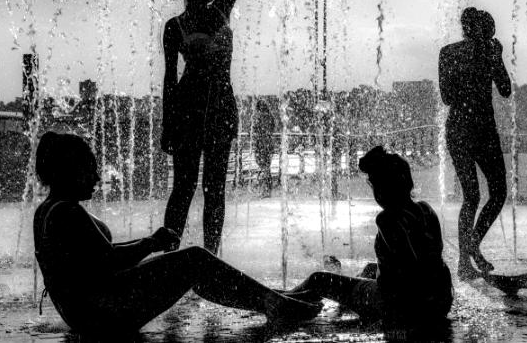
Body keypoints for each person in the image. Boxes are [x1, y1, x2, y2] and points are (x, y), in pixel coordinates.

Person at [33, 132, 321, 335]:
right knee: (195, 260)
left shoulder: (48, 210)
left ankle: (270, 298)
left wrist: (150, 243)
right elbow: (109, 259)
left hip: (86, 313)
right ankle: (274, 303)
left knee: (193, 264)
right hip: (104, 314)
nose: (96, 178)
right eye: (89, 170)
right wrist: (151, 243)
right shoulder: (65, 212)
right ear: (69, 171)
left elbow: (96, 259)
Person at [161, 0, 287, 254]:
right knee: (188, 187)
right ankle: (172, 256)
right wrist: (167, 126)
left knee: (210, 187)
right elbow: (169, 80)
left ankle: (208, 257)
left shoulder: (209, 16)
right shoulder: (182, 25)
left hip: (215, 108)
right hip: (196, 109)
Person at [281, 146, 453, 325]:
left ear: (382, 188)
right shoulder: (426, 209)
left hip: (401, 306)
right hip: (440, 301)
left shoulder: (388, 219)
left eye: (373, 183)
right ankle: (343, 296)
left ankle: (285, 302)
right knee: (370, 269)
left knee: (319, 279)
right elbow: (427, 261)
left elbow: (411, 268)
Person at [438, 7, 512, 280]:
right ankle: (471, 248)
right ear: (482, 31)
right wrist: (495, 58)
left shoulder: (448, 52)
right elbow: (505, 89)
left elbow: (446, 97)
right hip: (481, 130)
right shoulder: (487, 54)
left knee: (472, 196)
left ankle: (465, 258)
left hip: (458, 129)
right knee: (497, 192)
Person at [253, 99, 275, 195]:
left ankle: (266, 189)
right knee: (266, 167)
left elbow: (256, 130)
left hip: (262, 144)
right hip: (268, 144)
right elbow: (272, 128)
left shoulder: (260, 117)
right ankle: (267, 188)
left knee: (264, 167)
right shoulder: (270, 116)